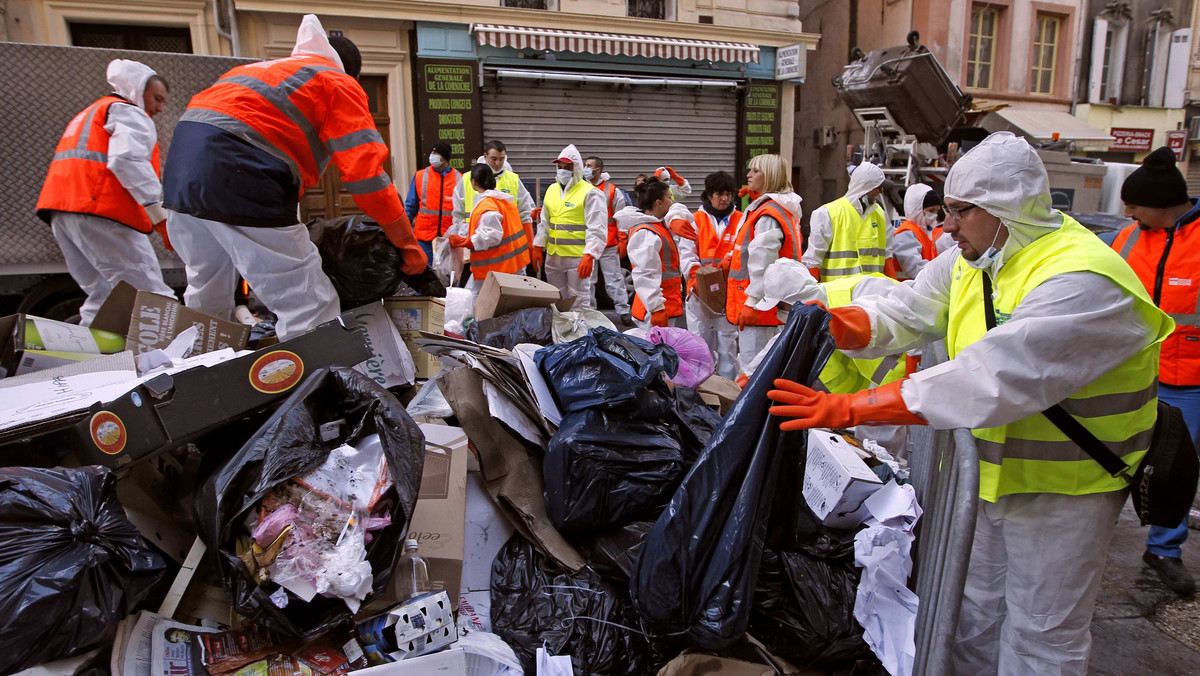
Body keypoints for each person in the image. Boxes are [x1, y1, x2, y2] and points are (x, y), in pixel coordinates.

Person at [767, 132, 1173, 673]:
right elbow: (909, 310)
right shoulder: (974, 258)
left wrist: (852, 408)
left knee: (1042, 634)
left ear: (1005, 211)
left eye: (961, 211)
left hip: (1066, 493)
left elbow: (991, 378)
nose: (947, 224)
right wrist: (837, 323)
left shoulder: (1082, 279)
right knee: (972, 614)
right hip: (988, 478)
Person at [162, 15, 427, 340]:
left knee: (208, 287)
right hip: (241, 173)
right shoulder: (336, 81)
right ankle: (315, 386)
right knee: (308, 301)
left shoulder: (258, 71)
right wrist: (406, 241)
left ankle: (197, 370)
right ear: (352, 74)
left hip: (179, 177)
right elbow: (367, 177)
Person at [1112, 145, 1200, 596]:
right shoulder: (1127, 239)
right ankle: (1094, 531)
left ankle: (1165, 549)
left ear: (1164, 205)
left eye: (1135, 204)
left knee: (1176, 468)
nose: (1128, 211)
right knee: (1112, 458)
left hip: (1190, 380)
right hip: (1131, 372)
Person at [35, 59, 175, 326]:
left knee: (103, 294)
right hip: (102, 213)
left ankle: (84, 360)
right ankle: (175, 364)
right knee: (151, 298)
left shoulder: (91, 113)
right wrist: (161, 217)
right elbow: (127, 160)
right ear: (137, 89)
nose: (159, 107)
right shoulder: (129, 112)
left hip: (63, 211)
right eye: (157, 98)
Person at [724, 153, 803, 371]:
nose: (748, 175)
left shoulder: (767, 215)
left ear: (769, 176)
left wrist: (751, 303)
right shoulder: (782, 209)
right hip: (775, 306)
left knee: (752, 370)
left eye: (755, 171)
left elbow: (763, 265)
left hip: (761, 309)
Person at [681, 171, 741, 379]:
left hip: (729, 295)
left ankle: (727, 393)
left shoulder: (741, 220)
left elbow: (743, 250)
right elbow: (686, 252)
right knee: (700, 346)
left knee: (727, 348)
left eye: (728, 194)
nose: (725, 199)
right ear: (708, 195)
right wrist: (698, 277)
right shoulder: (695, 220)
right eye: (719, 194)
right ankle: (700, 392)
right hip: (699, 295)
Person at [532, 144, 607, 310]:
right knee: (556, 301)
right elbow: (545, 221)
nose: (562, 171)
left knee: (578, 302)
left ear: (577, 168)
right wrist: (538, 246)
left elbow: (597, 228)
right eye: (560, 167)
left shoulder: (590, 192)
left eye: (567, 167)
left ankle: (580, 335)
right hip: (553, 257)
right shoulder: (552, 189)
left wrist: (590, 255)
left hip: (577, 258)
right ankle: (561, 334)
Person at [448, 164, 530, 297]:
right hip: (513, 264)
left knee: (473, 300)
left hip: (496, 267)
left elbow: (492, 235)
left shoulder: (488, 205)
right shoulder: (503, 200)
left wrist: (467, 241)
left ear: (474, 182)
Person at [613, 178, 684, 329]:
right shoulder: (647, 232)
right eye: (669, 197)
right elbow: (645, 274)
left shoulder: (659, 227)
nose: (672, 202)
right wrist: (656, 307)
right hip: (654, 310)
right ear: (659, 203)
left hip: (662, 306)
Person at [802, 163, 887, 281]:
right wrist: (812, 296)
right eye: (877, 187)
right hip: (836, 296)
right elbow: (812, 261)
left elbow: (887, 257)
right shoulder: (826, 214)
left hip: (870, 295)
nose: (880, 191)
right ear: (865, 187)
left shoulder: (880, 214)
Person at [583, 156, 633, 324]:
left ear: (598, 170)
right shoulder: (581, 188)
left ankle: (624, 311)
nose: (585, 168)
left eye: (589, 166)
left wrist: (623, 238)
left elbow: (621, 217)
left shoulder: (612, 191)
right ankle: (590, 312)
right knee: (588, 280)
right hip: (589, 242)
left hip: (608, 243)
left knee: (614, 279)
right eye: (584, 165)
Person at [405, 141, 459, 261]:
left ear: (444, 158)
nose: (432, 155)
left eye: (436, 153)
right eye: (432, 152)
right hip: (425, 238)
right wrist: (405, 231)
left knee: (448, 274)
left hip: (448, 238)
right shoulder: (420, 176)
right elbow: (410, 206)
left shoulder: (458, 178)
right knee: (426, 272)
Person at [889, 184, 943, 280]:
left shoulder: (922, 233)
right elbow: (914, 268)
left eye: (936, 211)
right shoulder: (906, 234)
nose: (934, 215)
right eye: (931, 210)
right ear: (917, 210)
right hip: (906, 289)